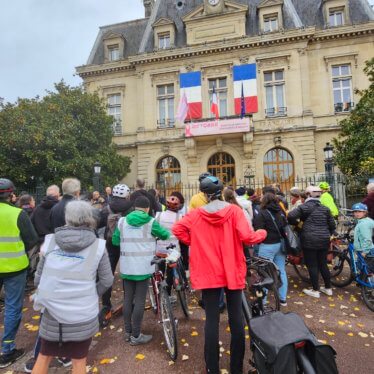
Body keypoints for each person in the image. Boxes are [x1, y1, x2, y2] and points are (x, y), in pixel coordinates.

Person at [172, 176, 267, 374]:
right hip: (232, 270)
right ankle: (236, 368)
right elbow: (248, 238)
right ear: (221, 191)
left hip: (208, 272)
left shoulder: (196, 214)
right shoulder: (234, 211)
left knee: (212, 319)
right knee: (236, 319)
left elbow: (177, 229)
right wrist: (262, 233)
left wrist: (192, 241)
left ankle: (212, 368)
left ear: (204, 194)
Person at [31, 201, 113, 374]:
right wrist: (90, 294)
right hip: (82, 313)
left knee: (44, 355)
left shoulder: (51, 242)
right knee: (78, 361)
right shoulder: (98, 246)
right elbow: (107, 280)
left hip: (52, 312)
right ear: (90, 219)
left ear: (67, 218)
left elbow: (38, 279)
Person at [112, 196, 170, 345]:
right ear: (148, 208)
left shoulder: (122, 221)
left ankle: (128, 332)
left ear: (134, 207)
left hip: (126, 266)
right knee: (139, 300)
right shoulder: (150, 222)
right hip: (143, 267)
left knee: (127, 299)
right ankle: (136, 335)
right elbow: (165, 235)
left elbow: (115, 241)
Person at [0, 178, 38, 368]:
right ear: (11, 195)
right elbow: (32, 240)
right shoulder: (18, 214)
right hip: (14, 267)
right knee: (13, 307)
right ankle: (7, 350)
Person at [288, 186, 336, 298]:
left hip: (309, 239)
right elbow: (332, 225)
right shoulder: (325, 208)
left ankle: (315, 290)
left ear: (308, 195)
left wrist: (298, 224)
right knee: (323, 263)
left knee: (312, 265)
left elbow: (290, 216)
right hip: (324, 239)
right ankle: (328, 288)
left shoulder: (304, 207)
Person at [99, 184, 133, 324]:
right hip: (127, 243)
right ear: (127, 195)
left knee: (108, 273)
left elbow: (98, 224)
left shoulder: (106, 208)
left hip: (110, 242)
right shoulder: (131, 208)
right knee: (128, 273)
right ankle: (129, 301)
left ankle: (106, 305)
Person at [253, 192, 288, 306]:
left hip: (268, 244)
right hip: (280, 244)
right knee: (281, 270)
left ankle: (262, 301)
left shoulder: (262, 213)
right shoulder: (281, 212)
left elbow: (258, 229)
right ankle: (282, 298)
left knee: (264, 272)